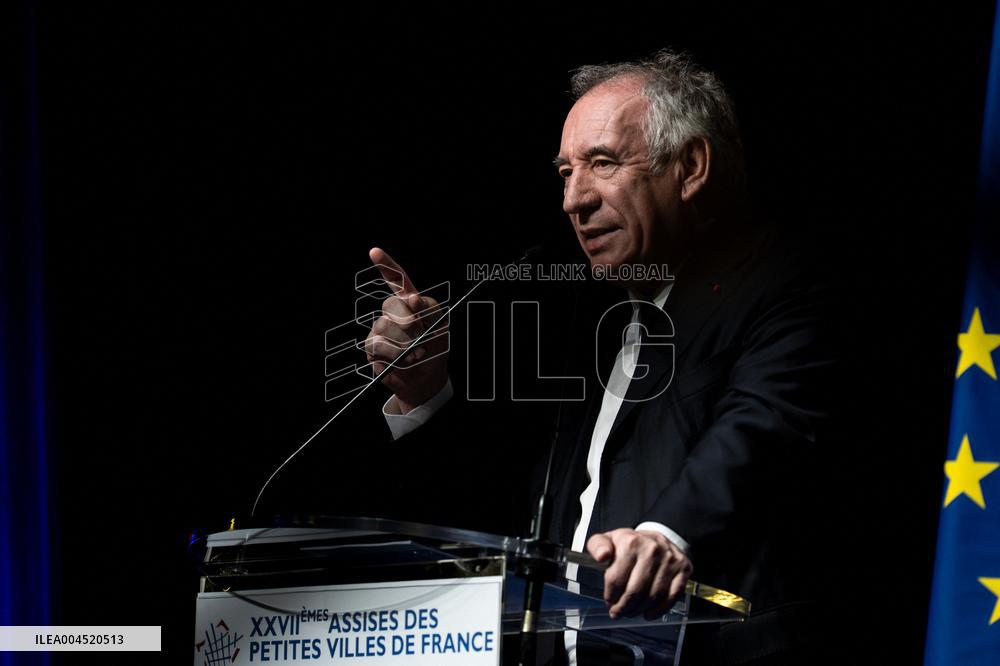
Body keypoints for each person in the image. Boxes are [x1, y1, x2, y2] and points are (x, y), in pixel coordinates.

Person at [364, 50, 835, 665]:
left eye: (603, 164)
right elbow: (501, 505)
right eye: (565, 172)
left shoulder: (783, 285)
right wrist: (425, 391)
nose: (573, 200)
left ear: (691, 167)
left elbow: (759, 426)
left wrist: (665, 535)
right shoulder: (588, 328)